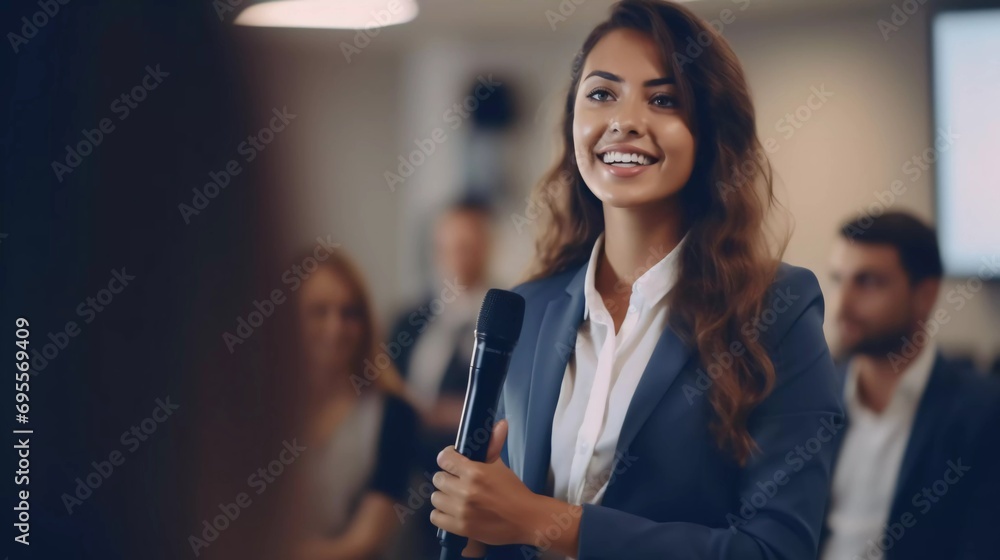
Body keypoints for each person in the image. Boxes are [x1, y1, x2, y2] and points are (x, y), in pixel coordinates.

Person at [428, 1, 843, 559]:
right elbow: (505, 534)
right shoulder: (527, 311)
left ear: (708, 132)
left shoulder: (777, 309)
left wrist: (546, 522)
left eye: (664, 99)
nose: (625, 119)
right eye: (602, 94)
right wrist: (481, 530)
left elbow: (777, 550)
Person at [820, 212, 1000, 560]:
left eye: (868, 282)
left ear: (926, 295)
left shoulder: (985, 414)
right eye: (837, 279)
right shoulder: (811, 403)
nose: (842, 304)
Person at [289, 247, 418, 560]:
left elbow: (363, 542)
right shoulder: (257, 410)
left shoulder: (395, 416)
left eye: (349, 313)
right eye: (319, 311)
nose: (335, 328)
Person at [389, 197, 495, 558]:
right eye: (445, 247)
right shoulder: (408, 321)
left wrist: (462, 412)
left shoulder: (505, 319)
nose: (455, 257)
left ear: (486, 246)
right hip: (407, 487)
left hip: (477, 494)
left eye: (465, 246)